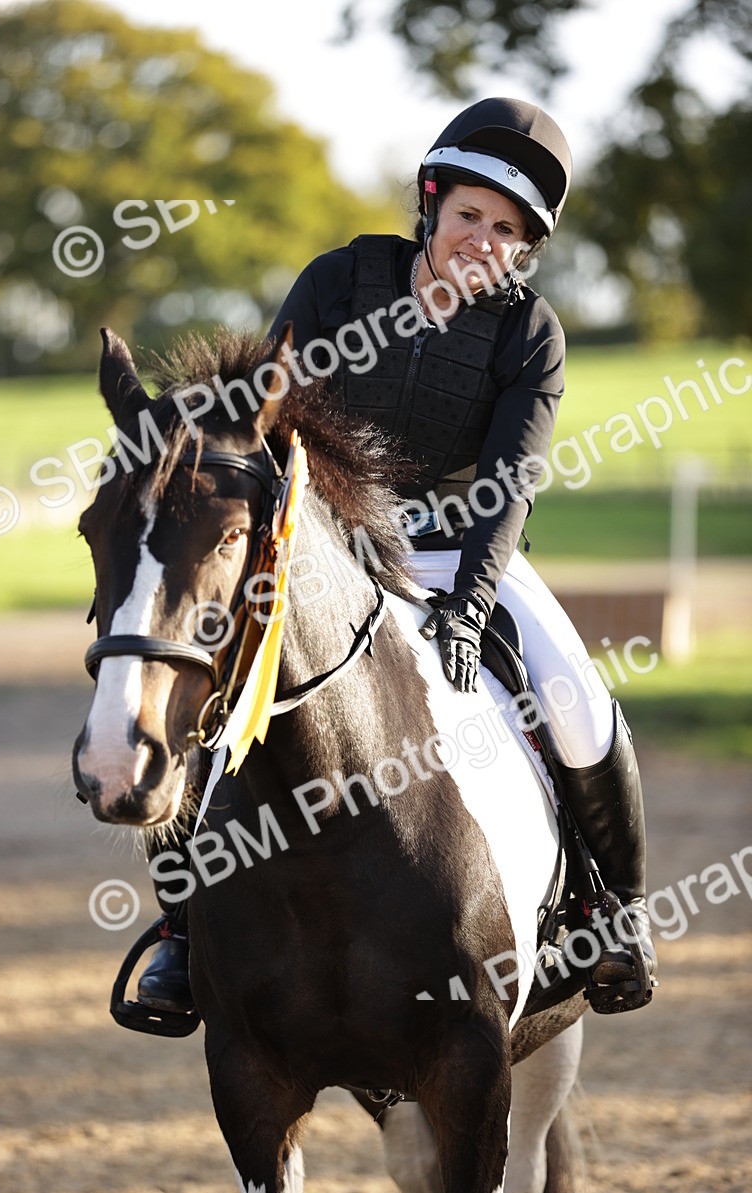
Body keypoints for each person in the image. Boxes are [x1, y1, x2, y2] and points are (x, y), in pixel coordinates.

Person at [137, 96, 657, 1016]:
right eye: (469, 216)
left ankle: (609, 913)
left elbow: (511, 483)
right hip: (325, 549)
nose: (483, 242)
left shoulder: (531, 335)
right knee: (201, 687)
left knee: (578, 700)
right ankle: (183, 937)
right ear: (431, 204)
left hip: (460, 552)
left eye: (508, 232)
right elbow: (269, 416)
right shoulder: (340, 280)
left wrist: (470, 606)